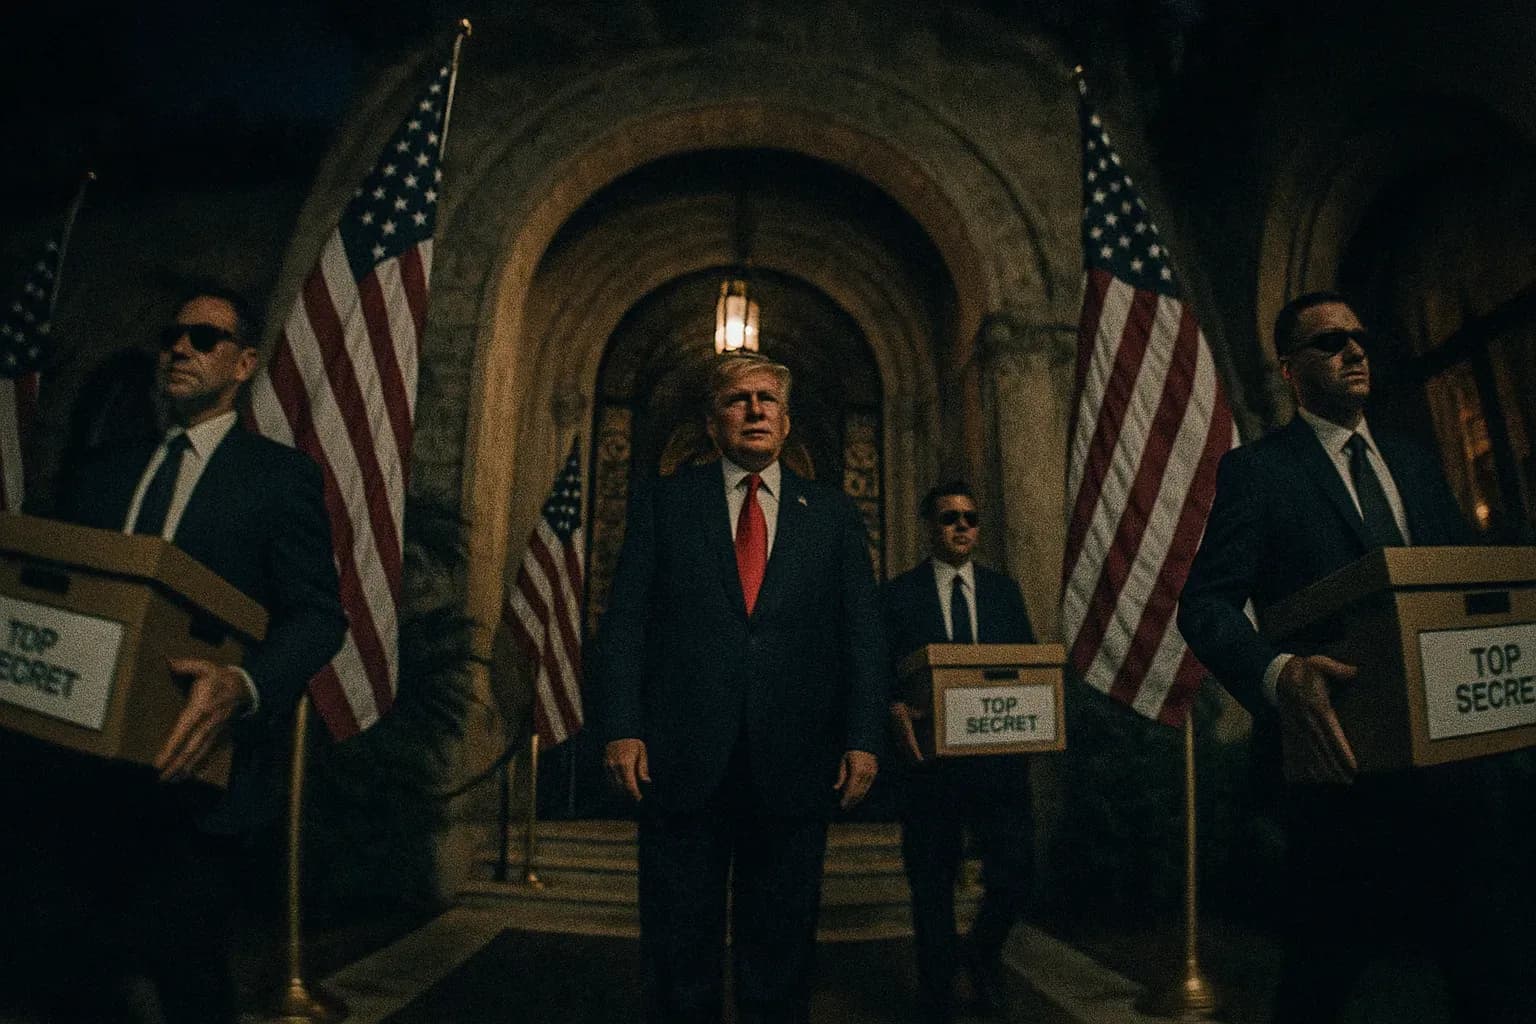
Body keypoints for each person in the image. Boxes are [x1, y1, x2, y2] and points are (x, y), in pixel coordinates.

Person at [2, 286, 345, 1023]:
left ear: (245, 362)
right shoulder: (102, 473)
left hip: (196, 778)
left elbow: (318, 617)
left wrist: (245, 684)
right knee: (64, 979)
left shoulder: (278, 479)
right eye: (172, 335)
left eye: (204, 336)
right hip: (78, 779)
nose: (180, 348)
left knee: (187, 981)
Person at [1177, 291, 1521, 1023]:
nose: (1354, 351)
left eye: (1359, 338)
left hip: (1454, 772)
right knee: (1320, 984)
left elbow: (1463, 585)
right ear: (1289, 369)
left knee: (1490, 972)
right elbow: (1204, 606)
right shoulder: (1260, 473)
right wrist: (1280, 674)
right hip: (1337, 772)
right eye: (1331, 343)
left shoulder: (1416, 462)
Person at [592, 351, 886, 1024]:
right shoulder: (665, 503)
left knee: (781, 948)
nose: (755, 410)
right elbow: (627, 622)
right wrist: (621, 726)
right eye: (739, 399)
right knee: (676, 946)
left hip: (795, 761)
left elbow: (862, 637)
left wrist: (864, 738)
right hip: (680, 758)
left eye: (768, 401)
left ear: (785, 423)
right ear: (711, 422)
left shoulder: (833, 515)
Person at [884, 482, 1035, 1024]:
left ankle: (982, 954)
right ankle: (937, 989)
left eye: (971, 517)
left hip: (999, 766)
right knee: (930, 882)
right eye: (950, 518)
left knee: (1016, 872)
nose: (962, 527)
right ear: (930, 526)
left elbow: (1027, 665)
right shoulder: (899, 595)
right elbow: (879, 671)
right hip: (930, 768)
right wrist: (892, 705)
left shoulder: (1003, 591)